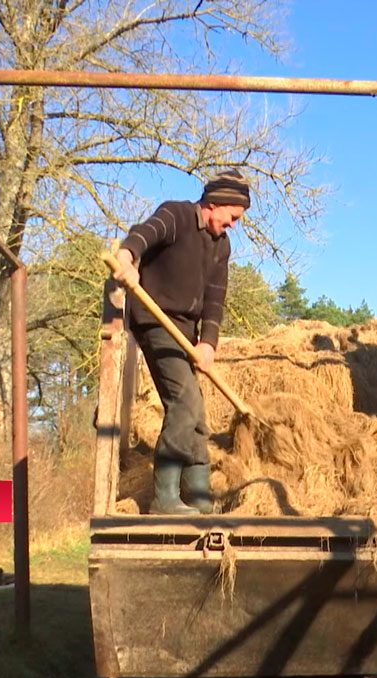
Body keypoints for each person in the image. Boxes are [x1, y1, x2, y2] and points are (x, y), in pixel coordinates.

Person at [110, 170, 250, 514]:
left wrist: (209, 344)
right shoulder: (177, 215)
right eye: (233, 216)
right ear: (215, 203)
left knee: (197, 412)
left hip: (186, 333)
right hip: (156, 321)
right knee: (184, 403)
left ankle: (198, 494)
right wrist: (127, 257)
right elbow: (143, 234)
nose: (233, 225)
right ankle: (165, 498)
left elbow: (215, 298)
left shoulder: (222, 245)